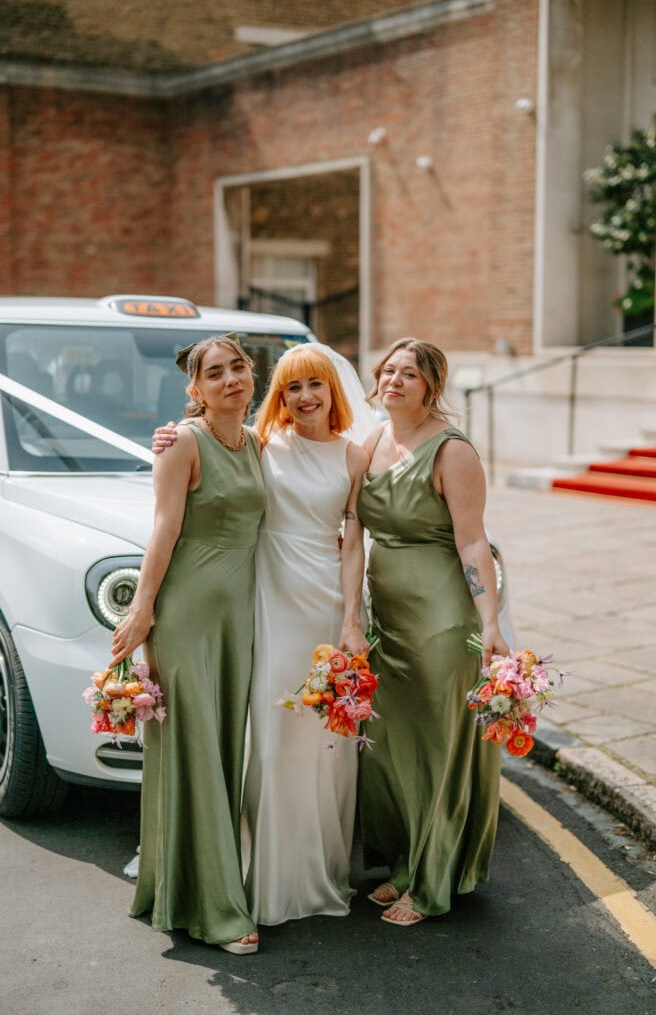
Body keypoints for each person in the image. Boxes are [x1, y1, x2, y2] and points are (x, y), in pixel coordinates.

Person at [151, 343, 376, 927]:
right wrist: (167, 435)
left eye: (315, 385)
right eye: (293, 386)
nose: (305, 396)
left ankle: (319, 871)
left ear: (333, 390)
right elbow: (206, 451)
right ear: (279, 394)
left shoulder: (354, 456)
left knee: (324, 744)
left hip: (325, 601)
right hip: (268, 599)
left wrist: (352, 620)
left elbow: (353, 541)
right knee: (271, 736)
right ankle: (266, 878)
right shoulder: (260, 443)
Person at [111, 335, 264, 954]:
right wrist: (142, 610)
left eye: (238, 367)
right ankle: (217, 909)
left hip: (239, 614)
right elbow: (164, 528)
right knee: (194, 747)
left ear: (252, 375)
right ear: (195, 389)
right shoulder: (182, 443)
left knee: (224, 746)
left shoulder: (255, 442)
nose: (231, 379)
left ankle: (183, 884)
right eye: (215, 373)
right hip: (188, 613)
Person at [348, 337, 509, 926]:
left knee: (438, 748)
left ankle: (432, 880)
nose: (394, 381)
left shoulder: (453, 451)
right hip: (387, 621)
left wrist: (489, 624)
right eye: (388, 371)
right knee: (391, 749)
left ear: (431, 386)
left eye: (409, 374)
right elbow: (348, 525)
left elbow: (473, 542)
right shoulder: (372, 442)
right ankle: (404, 863)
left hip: (441, 621)